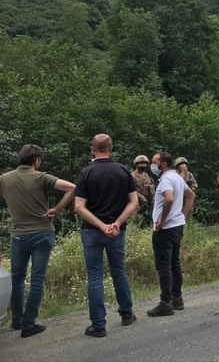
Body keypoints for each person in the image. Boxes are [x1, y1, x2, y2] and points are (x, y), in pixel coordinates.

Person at [0, 144, 75, 338]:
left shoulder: (4, 179)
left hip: (18, 234)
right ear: (37, 161)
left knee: (17, 278)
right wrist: (57, 210)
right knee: (37, 279)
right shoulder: (41, 177)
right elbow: (71, 188)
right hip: (42, 232)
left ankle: (17, 320)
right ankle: (29, 324)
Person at [74, 134, 139, 337]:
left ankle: (98, 325)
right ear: (111, 148)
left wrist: (102, 226)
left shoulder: (85, 173)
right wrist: (116, 223)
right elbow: (133, 202)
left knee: (95, 276)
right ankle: (127, 314)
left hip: (92, 231)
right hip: (117, 231)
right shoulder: (123, 171)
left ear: (92, 149)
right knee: (118, 270)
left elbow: (79, 207)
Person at [147, 152, 196, 316]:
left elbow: (168, 199)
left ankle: (165, 302)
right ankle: (177, 298)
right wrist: (182, 215)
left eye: (154, 162)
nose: (152, 165)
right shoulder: (177, 177)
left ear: (163, 164)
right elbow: (191, 195)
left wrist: (162, 220)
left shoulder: (167, 179)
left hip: (165, 229)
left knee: (164, 266)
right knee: (174, 263)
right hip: (177, 226)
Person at [131, 155, 155, 225]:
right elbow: (130, 190)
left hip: (147, 203)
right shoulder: (132, 176)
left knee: (146, 222)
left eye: (144, 163)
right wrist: (141, 197)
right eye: (141, 163)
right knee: (136, 221)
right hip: (137, 203)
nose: (143, 165)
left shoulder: (146, 175)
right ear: (137, 165)